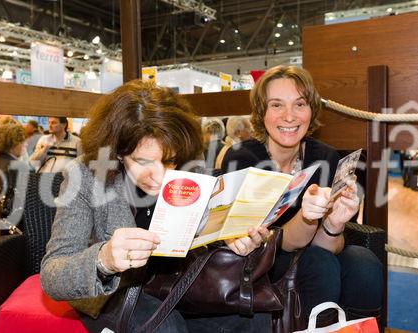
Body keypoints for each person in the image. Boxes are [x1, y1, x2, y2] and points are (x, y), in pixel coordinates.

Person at [40, 80, 271, 333]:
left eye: (169, 160)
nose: (160, 176)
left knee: (251, 319)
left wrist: (232, 238)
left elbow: (205, 231)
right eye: (142, 162)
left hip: (176, 282)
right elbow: (52, 276)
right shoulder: (85, 175)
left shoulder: (189, 165)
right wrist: (104, 259)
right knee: (166, 327)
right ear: (117, 151)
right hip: (115, 294)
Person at [221, 65, 383, 328]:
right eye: (276, 105)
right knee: (320, 264)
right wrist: (307, 218)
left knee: (363, 263)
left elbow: (326, 245)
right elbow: (278, 244)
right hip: (257, 261)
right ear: (262, 112)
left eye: (299, 104)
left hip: (314, 256)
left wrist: (334, 224)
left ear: (312, 110)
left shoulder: (326, 157)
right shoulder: (243, 158)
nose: (289, 116)